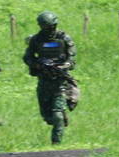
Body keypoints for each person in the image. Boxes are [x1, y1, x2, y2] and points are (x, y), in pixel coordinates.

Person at [23, 11, 78, 144]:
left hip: (59, 82)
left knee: (57, 116)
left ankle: (56, 145)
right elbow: (27, 57)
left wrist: (64, 66)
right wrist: (37, 64)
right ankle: (59, 119)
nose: (50, 29)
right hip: (44, 81)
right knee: (47, 117)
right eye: (46, 27)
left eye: (52, 26)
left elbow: (72, 58)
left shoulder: (64, 38)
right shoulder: (36, 40)